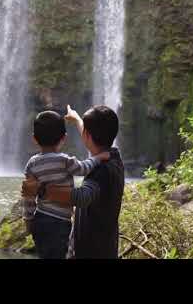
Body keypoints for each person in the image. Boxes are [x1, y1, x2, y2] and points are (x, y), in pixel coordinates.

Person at [23, 105, 125, 259]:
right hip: (97, 245)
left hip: (94, 250)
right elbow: (91, 138)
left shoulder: (103, 170)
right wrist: (77, 119)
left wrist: (40, 190)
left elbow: (82, 197)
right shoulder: (111, 156)